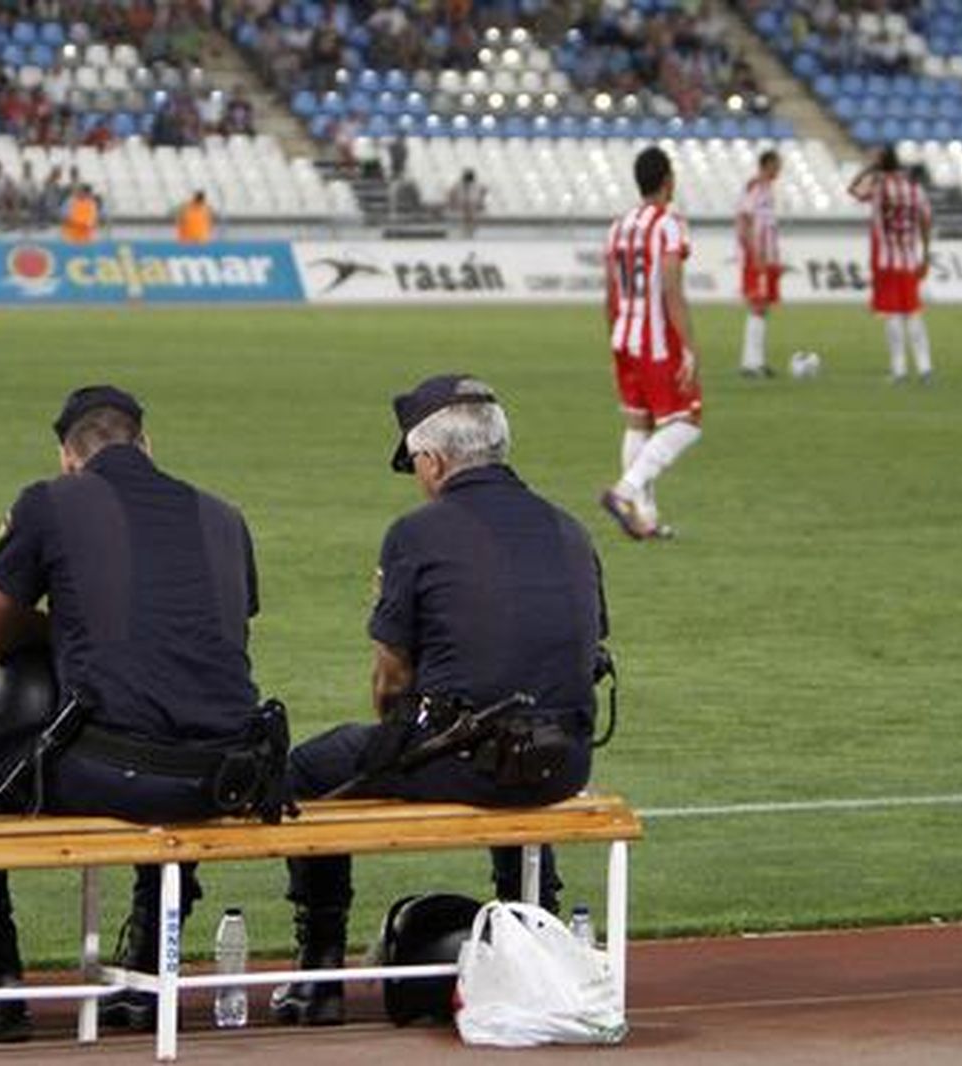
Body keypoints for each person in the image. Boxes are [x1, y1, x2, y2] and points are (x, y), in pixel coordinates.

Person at [0, 385, 276, 1041]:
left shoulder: (47, 503)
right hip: (223, 772)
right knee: (176, 716)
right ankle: (146, 964)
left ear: (67, 457)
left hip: (114, 768)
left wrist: (71, 624)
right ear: (146, 443)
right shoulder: (222, 515)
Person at [271, 374, 605, 1028]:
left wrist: (404, 735)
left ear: (433, 460)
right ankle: (533, 929)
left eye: (416, 466)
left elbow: (391, 679)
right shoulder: (570, 530)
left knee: (307, 772)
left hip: (466, 761)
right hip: (565, 762)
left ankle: (319, 971)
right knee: (519, 743)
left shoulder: (417, 533)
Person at [599, 146, 702, 542]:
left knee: (639, 422)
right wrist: (688, 346)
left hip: (624, 335)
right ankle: (625, 493)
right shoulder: (668, 223)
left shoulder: (618, 226)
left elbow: (609, 291)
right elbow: (672, 287)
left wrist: (614, 339)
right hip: (656, 339)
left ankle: (646, 518)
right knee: (688, 421)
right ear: (667, 181)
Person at [848, 145, 934, 383]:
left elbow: (853, 189)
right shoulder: (914, 188)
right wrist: (925, 254)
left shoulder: (878, 185)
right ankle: (925, 367)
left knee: (892, 314)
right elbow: (926, 221)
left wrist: (869, 168)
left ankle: (899, 369)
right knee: (913, 312)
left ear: (881, 162)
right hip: (908, 261)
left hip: (886, 262)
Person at [735, 148, 783, 378]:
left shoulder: (768, 190)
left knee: (763, 309)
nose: (779, 169)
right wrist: (755, 254)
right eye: (776, 165)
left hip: (767, 258)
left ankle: (756, 361)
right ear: (767, 165)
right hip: (757, 258)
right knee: (757, 306)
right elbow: (744, 220)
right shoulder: (755, 187)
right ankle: (751, 364)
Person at [446, 168, 487, 237]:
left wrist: (480, 201)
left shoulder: (478, 186)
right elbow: (451, 194)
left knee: (470, 208)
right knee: (468, 209)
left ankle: (469, 227)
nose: (468, 182)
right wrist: (453, 202)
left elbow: (483, 191)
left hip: (471, 204)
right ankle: (468, 227)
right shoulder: (458, 185)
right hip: (463, 204)